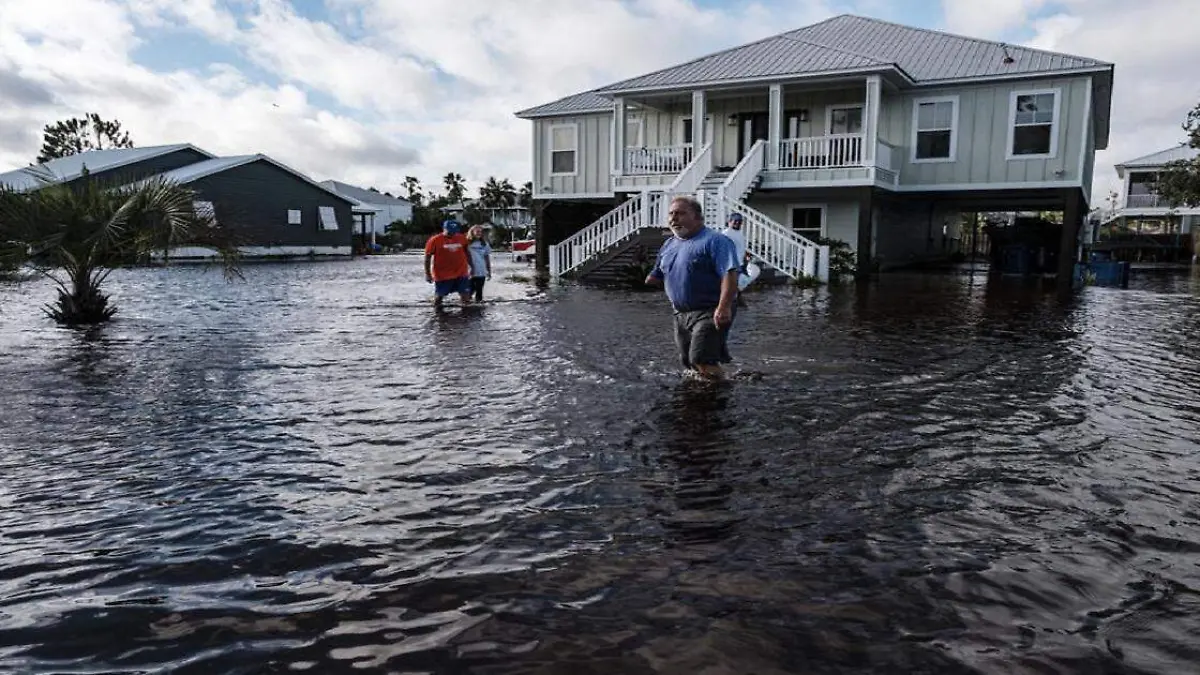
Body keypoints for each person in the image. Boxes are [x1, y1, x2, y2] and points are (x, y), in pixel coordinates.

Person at [645, 195, 741, 380]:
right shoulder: (669, 244)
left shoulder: (715, 241)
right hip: (680, 313)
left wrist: (724, 307)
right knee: (688, 362)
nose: (674, 218)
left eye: (681, 213)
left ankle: (719, 398)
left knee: (701, 358)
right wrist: (651, 278)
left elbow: (730, 274)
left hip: (710, 310)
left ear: (698, 217)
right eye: (671, 214)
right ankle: (705, 392)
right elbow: (657, 273)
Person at [424, 219, 472, 308]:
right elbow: (427, 258)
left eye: (454, 231)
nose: (452, 234)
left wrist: (472, 266)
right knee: (439, 297)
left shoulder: (461, 238)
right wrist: (428, 274)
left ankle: (466, 318)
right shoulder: (434, 240)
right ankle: (436, 311)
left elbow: (467, 252)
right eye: (450, 231)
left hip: (461, 271)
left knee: (465, 295)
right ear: (444, 229)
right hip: (442, 274)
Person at [465, 225, 492, 302]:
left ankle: (479, 310)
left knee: (479, 291)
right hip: (469, 271)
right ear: (472, 232)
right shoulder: (466, 243)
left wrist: (489, 271)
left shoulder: (484, 244)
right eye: (477, 231)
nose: (479, 233)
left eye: (480, 232)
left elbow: (487, 258)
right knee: (469, 291)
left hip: (481, 271)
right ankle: (467, 310)